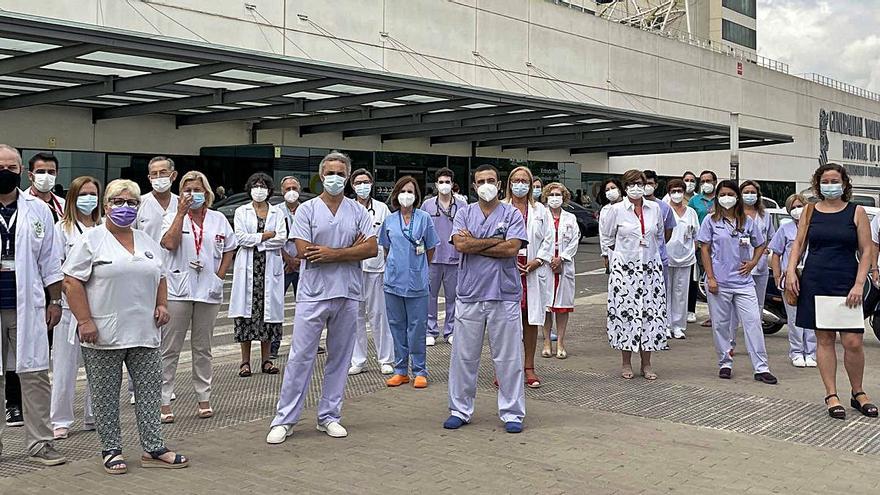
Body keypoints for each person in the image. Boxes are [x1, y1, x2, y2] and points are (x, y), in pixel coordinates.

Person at [63, 179, 188, 474]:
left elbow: (160, 276)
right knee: (106, 393)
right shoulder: (91, 240)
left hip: (144, 331)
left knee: (149, 389)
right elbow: (71, 281)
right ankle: (111, 449)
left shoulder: (146, 240)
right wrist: (84, 320)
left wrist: (161, 305)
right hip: (103, 332)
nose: (125, 208)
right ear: (106, 206)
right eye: (118, 202)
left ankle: (154, 447)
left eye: (132, 202)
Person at [267, 151, 378, 444]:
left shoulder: (357, 211)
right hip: (313, 294)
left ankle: (329, 415)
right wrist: (348, 251)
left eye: (341, 173)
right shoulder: (307, 210)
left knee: (340, 358)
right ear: (321, 176)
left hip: (348, 292)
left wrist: (331, 253)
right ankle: (285, 419)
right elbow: (304, 251)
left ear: (348, 177)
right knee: (300, 357)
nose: (335, 178)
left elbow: (371, 249)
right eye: (330, 173)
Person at [787, 163, 876, 419]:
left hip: (847, 281)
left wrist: (860, 284)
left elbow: (867, 251)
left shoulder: (856, 212)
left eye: (834, 180)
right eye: (825, 181)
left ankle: (858, 392)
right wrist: (791, 271)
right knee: (824, 339)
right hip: (817, 281)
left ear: (845, 183)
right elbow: (798, 244)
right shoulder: (809, 211)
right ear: (818, 184)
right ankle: (831, 394)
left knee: (853, 341)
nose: (830, 185)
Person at [444, 164, 527, 433]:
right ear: (474, 185)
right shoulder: (464, 213)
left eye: (491, 180)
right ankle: (460, 409)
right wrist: (495, 240)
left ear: (499, 184)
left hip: (504, 294)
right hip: (470, 293)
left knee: (509, 358)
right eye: (481, 181)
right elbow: (460, 245)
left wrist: (477, 242)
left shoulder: (512, 213)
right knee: (463, 357)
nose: (486, 185)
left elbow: (512, 248)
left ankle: (512, 412)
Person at [0, 144, 65, 465]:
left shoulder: (38, 210)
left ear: (20, 172)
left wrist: (56, 300)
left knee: (36, 372)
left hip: (29, 304)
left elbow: (51, 261)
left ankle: (41, 443)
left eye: (11, 168)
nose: (5, 173)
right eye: (1, 167)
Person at [159, 171, 236, 424]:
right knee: (170, 348)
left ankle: (204, 397)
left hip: (208, 289)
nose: (193, 194)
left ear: (207, 192)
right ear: (181, 194)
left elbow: (229, 248)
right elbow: (169, 244)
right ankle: (164, 399)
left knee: (203, 348)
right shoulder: (171, 217)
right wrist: (180, 214)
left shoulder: (218, 219)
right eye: (188, 189)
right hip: (178, 288)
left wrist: (220, 276)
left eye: (198, 189)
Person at [698, 180, 777, 384]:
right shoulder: (710, 221)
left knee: (753, 323)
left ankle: (761, 367)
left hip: (743, 282)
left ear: (737, 197)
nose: (727, 198)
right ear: (717, 197)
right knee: (721, 325)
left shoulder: (747, 222)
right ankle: (725, 362)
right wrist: (711, 277)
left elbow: (760, 244)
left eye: (730, 194)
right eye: (722, 194)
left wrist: (752, 263)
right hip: (719, 282)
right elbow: (704, 249)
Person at [600, 170, 668, 380]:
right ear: (625, 187)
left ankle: (646, 363)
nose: (636, 187)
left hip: (650, 269)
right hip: (625, 271)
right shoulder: (616, 210)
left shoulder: (654, 208)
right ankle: (626, 362)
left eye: (640, 183)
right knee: (626, 315)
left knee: (650, 315)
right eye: (631, 184)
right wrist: (617, 258)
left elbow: (659, 234)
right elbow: (607, 237)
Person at [50, 176, 100, 440]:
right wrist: (56, 301)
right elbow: (55, 269)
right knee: (64, 366)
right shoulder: (62, 229)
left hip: (100, 306)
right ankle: (60, 419)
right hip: (70, 308)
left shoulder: (105, 228)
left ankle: (95, 415)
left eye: (93, 194)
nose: (88, 199)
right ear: (72, 198)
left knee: (100, 365)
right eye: (83, 194)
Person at [380, 176, 439, 388]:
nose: (407, 195)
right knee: (396, 326)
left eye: (411, 192)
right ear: (396, 194)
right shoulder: (389, 220)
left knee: (417, 327)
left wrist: (419, 266)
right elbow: (386, 248)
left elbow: (431, 248)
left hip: (417, 281)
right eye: (403, 191)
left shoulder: (424, 218)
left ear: (416, 196)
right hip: (394, 281)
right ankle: (400, 370)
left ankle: (420, 370)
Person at [230, 173, 287, 377]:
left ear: (269, 190)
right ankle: (245, 362)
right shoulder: (241, 211)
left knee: (268, 316)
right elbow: (240, 238)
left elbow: (281, 238)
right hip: (248, 268)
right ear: (250, 188)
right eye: (255, 185)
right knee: (246, 316)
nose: (259, 189)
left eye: (263, 185)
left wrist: (257, 242)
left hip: (268, 269)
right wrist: (265, 236)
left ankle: (266, 361)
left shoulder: (277, 212)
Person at [503, 166, 553, 389]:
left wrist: (538, 261)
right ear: (509, 183)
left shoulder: (540, 210)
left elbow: (548, 239)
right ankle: (505, 369)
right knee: (507, 323)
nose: (520, 184)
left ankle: (529, 367)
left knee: (530, 320)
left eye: (525, 180)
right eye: (516, 180)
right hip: (507, 268)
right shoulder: (501, 208)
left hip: (532, 269)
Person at [272, 176, 324, 358]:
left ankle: (310, 344)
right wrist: (288, 259)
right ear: (282, 190)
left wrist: (300, 260)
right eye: (288, 189)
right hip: (283, 264)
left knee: (308, 308)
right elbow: (276, 238)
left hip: (304, 264)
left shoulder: (308, 210)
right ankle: (273, 346)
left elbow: (315, 236)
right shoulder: (276, 211)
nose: (291, 192)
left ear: (300, 190)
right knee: (276, 306)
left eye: (294, 188)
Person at [348, 169, 394, 376]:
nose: (362, 186)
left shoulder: (382, 208)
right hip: (352, 268)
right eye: (358, 182)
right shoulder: (346, 207)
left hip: (376, 268)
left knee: (379, 314)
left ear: (372, 183)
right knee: (355, 316)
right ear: (352, 185)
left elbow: (387, 239)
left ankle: (386, 359)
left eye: (366, 182)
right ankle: (358, 360)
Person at [769, 194, 816, 368]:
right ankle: (796, 351)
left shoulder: (815, 227)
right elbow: (776, 253)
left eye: (800, 206)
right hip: (790, 277)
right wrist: (777, 275)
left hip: (812, 277)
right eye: (793, 207)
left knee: (811, 316)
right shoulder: (785, 229)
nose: (797, 210)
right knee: (794, 317)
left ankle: (811, 352)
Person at [728, 180, 775, 354]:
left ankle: (755, 346)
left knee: (757, 309)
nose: (749, 195)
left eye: (752, 192)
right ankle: (730, 344)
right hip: (739, 267)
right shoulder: (735, 216)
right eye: (746, 192)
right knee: (733, 309)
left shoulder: (765, 215)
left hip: (759, 266)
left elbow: (771, 237)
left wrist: (763, 251)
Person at [421, 168, 467, 345]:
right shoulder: (428, 205)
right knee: (430, 296)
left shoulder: (462, 205)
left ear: (452, 184)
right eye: (441, 182)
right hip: (432, 257)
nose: (444, 185)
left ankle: (451, 331)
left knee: (452, 296)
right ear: (436, 184)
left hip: (454, 257)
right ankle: (430, 331)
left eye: (447, 182)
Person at [541, 183, 579, 358]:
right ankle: (547, 341)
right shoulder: (540, 216)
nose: (555, 197)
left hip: (564, 265)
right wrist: (548, 258)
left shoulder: (570, 218)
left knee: (562, 307)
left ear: (564, 197)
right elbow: (537, 239)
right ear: (546, 197)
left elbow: (574, 240)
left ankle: (561, 343)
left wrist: (562, 258)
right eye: (552, 194)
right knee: (546, 307)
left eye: (558, 194)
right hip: (545, 264)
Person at [664, 179, 699, 340]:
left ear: (684, 193)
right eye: (673, 191)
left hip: (686, 258)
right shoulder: (664, 209)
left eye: (680, 190)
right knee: (666, 291)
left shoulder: (691, 212)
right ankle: (665, 324)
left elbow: (696, 236)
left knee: (681, 292)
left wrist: (693, 250)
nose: (677, 194)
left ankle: (678, 325)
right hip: (666, 257)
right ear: (669, 193)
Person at [644, 170, 676, 295]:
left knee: (659, 294)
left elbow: (667, 234)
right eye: (644, 183)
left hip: (659, 258)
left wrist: (657, 245)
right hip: (639, 258)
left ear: (656, 185)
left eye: (650, 183)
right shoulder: (633, 206)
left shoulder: (664, 207)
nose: (647, 187)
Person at [136, 156, 179, 243]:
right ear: (150, 178)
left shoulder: (181, 203)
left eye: (163, 172)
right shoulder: (139, 203)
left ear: (173, 175)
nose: (159, 177)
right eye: (154, 174)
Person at [26, 152, 65, 222]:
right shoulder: (20, 202)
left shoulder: (63, 204)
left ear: (56, 174)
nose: (46, 176)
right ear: (30, 176)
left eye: (51, 172)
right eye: (41, 172)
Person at [596, 178, 623, 274]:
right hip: (612, 251)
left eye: (613, 188)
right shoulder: (605, 210)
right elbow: (603, 234)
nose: (610, 191)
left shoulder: (628, 206)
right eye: (607, 190)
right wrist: (606, 255)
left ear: (619, 189)